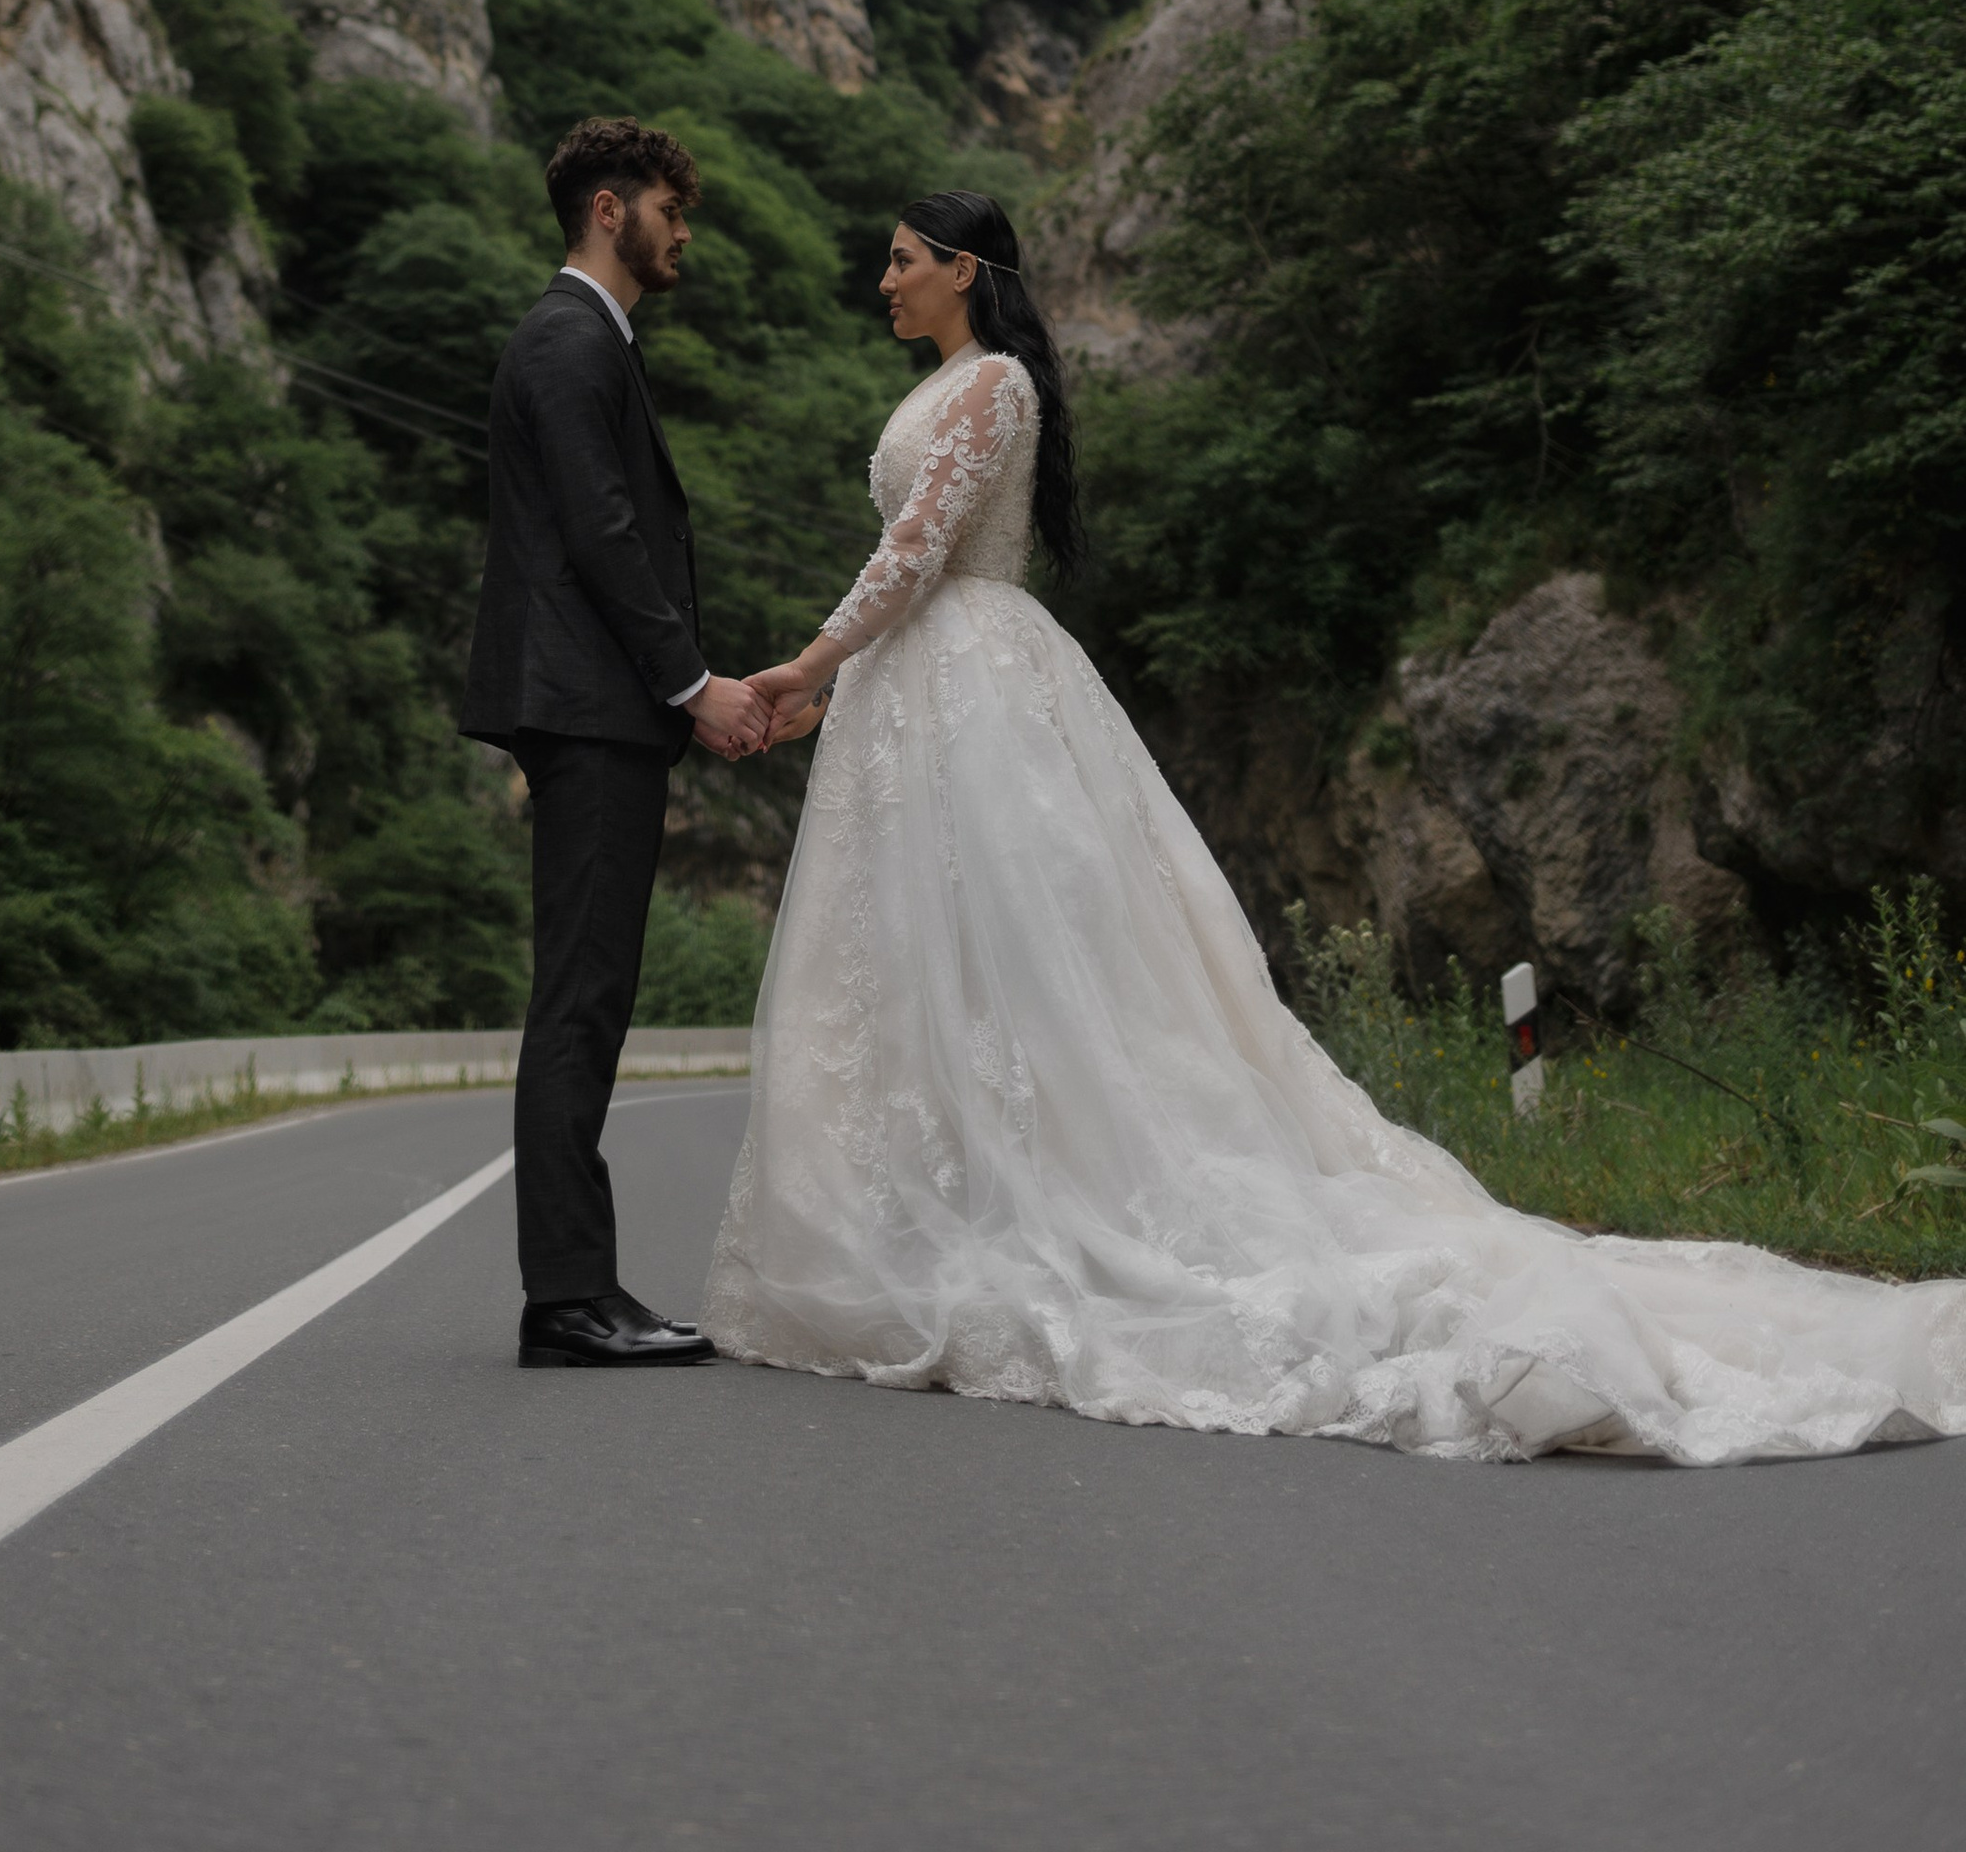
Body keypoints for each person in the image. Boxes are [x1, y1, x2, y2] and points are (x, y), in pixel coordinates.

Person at [703, 189, 1966, 1464]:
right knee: (932, 969)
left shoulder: (992, 389)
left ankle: (1043, 1216)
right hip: (920, 693)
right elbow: (906, 564)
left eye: (903, 260)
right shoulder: (945, 388)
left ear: (965, 270)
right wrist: (832, 692)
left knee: (1035, 970)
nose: (884, 279)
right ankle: (946, 1222)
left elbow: (917, 552)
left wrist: (798, 668)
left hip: (971, 682)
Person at [464, 114, 768, 1367]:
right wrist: (693, 682)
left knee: (588, 999)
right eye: (667, 207)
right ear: (608, 207)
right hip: (593, 709)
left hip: (594, 710)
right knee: (579, 1004)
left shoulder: (587, 341)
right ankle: (570, 1298)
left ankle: (578, 1290)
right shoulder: (567, 339)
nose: (680, 230)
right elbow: (601, 535)